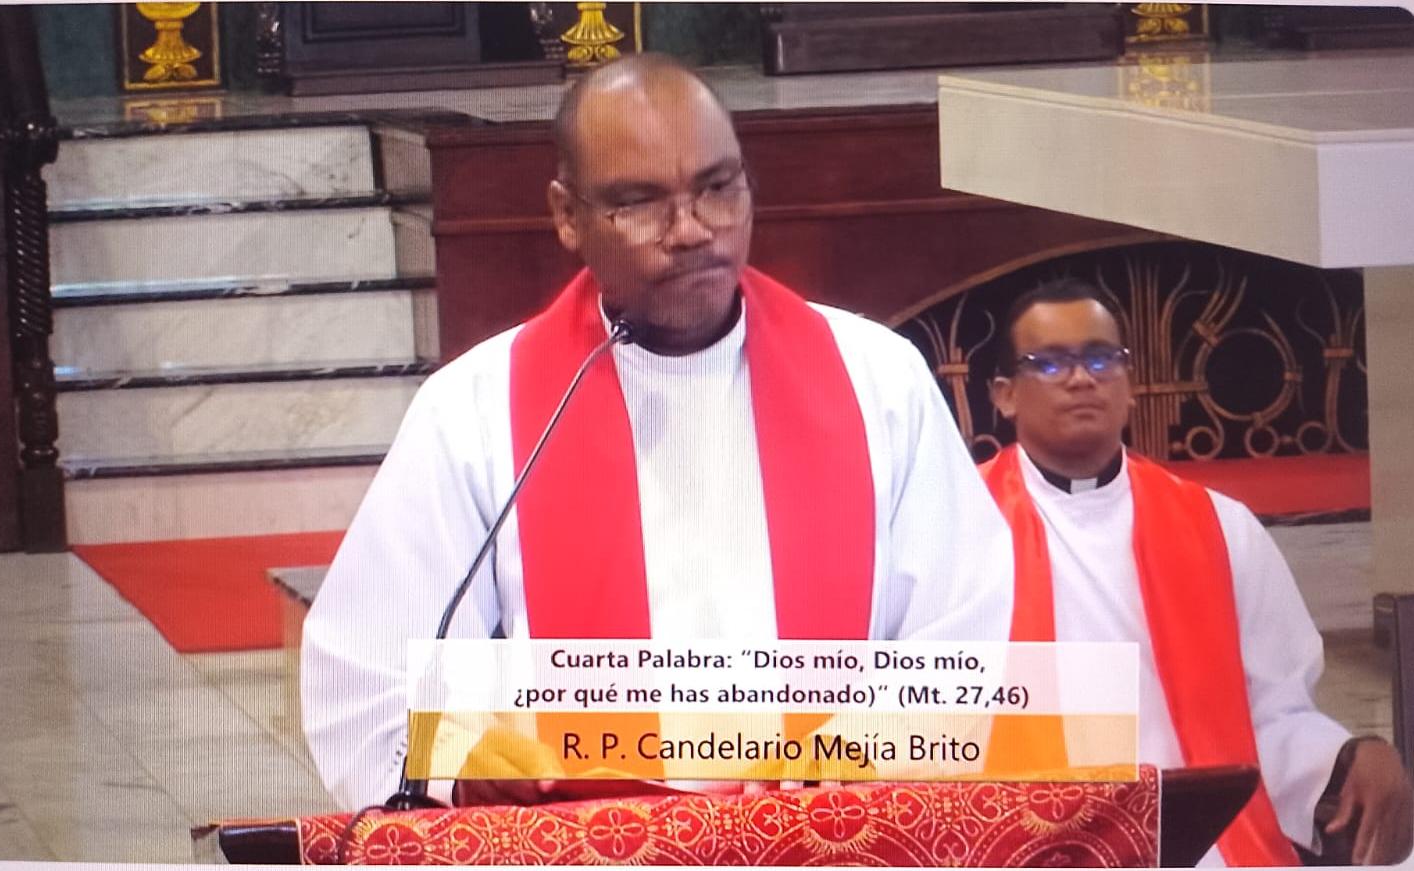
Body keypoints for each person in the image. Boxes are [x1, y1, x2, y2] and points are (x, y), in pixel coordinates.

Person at [301, 53, 1014, 811]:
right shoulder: (474, 409)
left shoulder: (879, 380)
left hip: (823, 839)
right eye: (640, 203)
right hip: (584, 845)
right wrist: (459, 758)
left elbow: (962, 635)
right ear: (567, 215)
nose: (692, 230)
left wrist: (875, 738)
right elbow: (368, 677)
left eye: (718, 188)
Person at [980, 278, 1413, 866]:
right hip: (1019, 838)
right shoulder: (954, 527)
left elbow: (1272, 713)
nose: (1082, 378)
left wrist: (1349, 756)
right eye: (1050, 363)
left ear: (1129, 385)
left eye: (1102, 358)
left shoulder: (1219, 527)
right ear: (1005, 395)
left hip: (1198, 843)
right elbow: (911, 709)